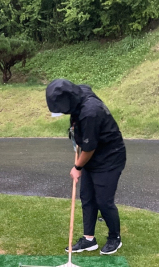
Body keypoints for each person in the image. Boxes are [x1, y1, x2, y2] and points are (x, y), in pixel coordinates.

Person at [46, 79, 126, 255]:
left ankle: (115, 237)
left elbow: (89, 149)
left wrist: (77, 167)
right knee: (87, 197)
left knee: (104, 201)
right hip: (94, 157)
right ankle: (89, 240)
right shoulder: (79, 94)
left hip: (109, 158)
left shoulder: (90, 112)